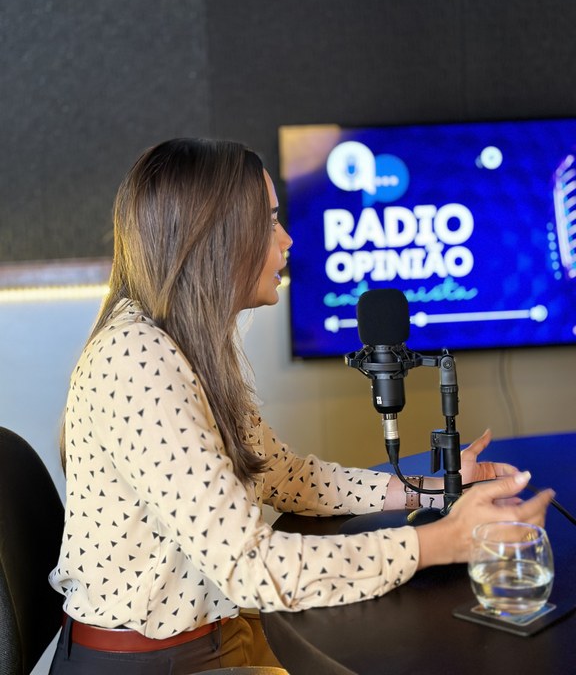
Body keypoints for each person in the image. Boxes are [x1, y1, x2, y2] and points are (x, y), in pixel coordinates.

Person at [48, 137, 554, 674]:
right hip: (154, 663)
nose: (287, 239)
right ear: (216, 235)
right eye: (269, 221)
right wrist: (440, 542)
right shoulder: (137, 358)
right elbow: (251, 566)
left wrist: (425, 489)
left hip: (224, 636)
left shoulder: (188, 344)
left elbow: (286, 478)